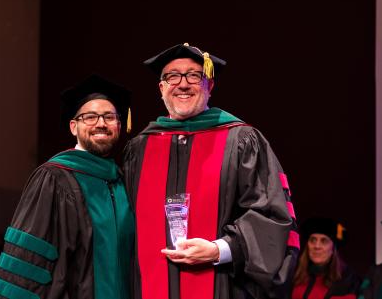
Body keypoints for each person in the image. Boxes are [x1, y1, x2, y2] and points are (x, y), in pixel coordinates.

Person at [123, 43, 299, 299]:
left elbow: (272, 215)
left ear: (210, 86)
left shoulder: (241, 141)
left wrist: (221, 250)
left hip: (223, 287)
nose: (183, 84)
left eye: (194, 75)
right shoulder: (139, 149)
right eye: (172, 76)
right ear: (161, 88)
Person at [0, 74, 135, 299]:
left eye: (109, 117)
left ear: (119, 124)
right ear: (73, 127)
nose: (101, 123)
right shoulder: (53, 179)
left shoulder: (122, 182)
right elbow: (29, 260)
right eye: (90, 117)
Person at [291, 216, 361, 299]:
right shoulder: (294, 274)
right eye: (313, 240)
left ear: (333, 249)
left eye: (324, 241)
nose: (317, 246)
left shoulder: (348, 280)